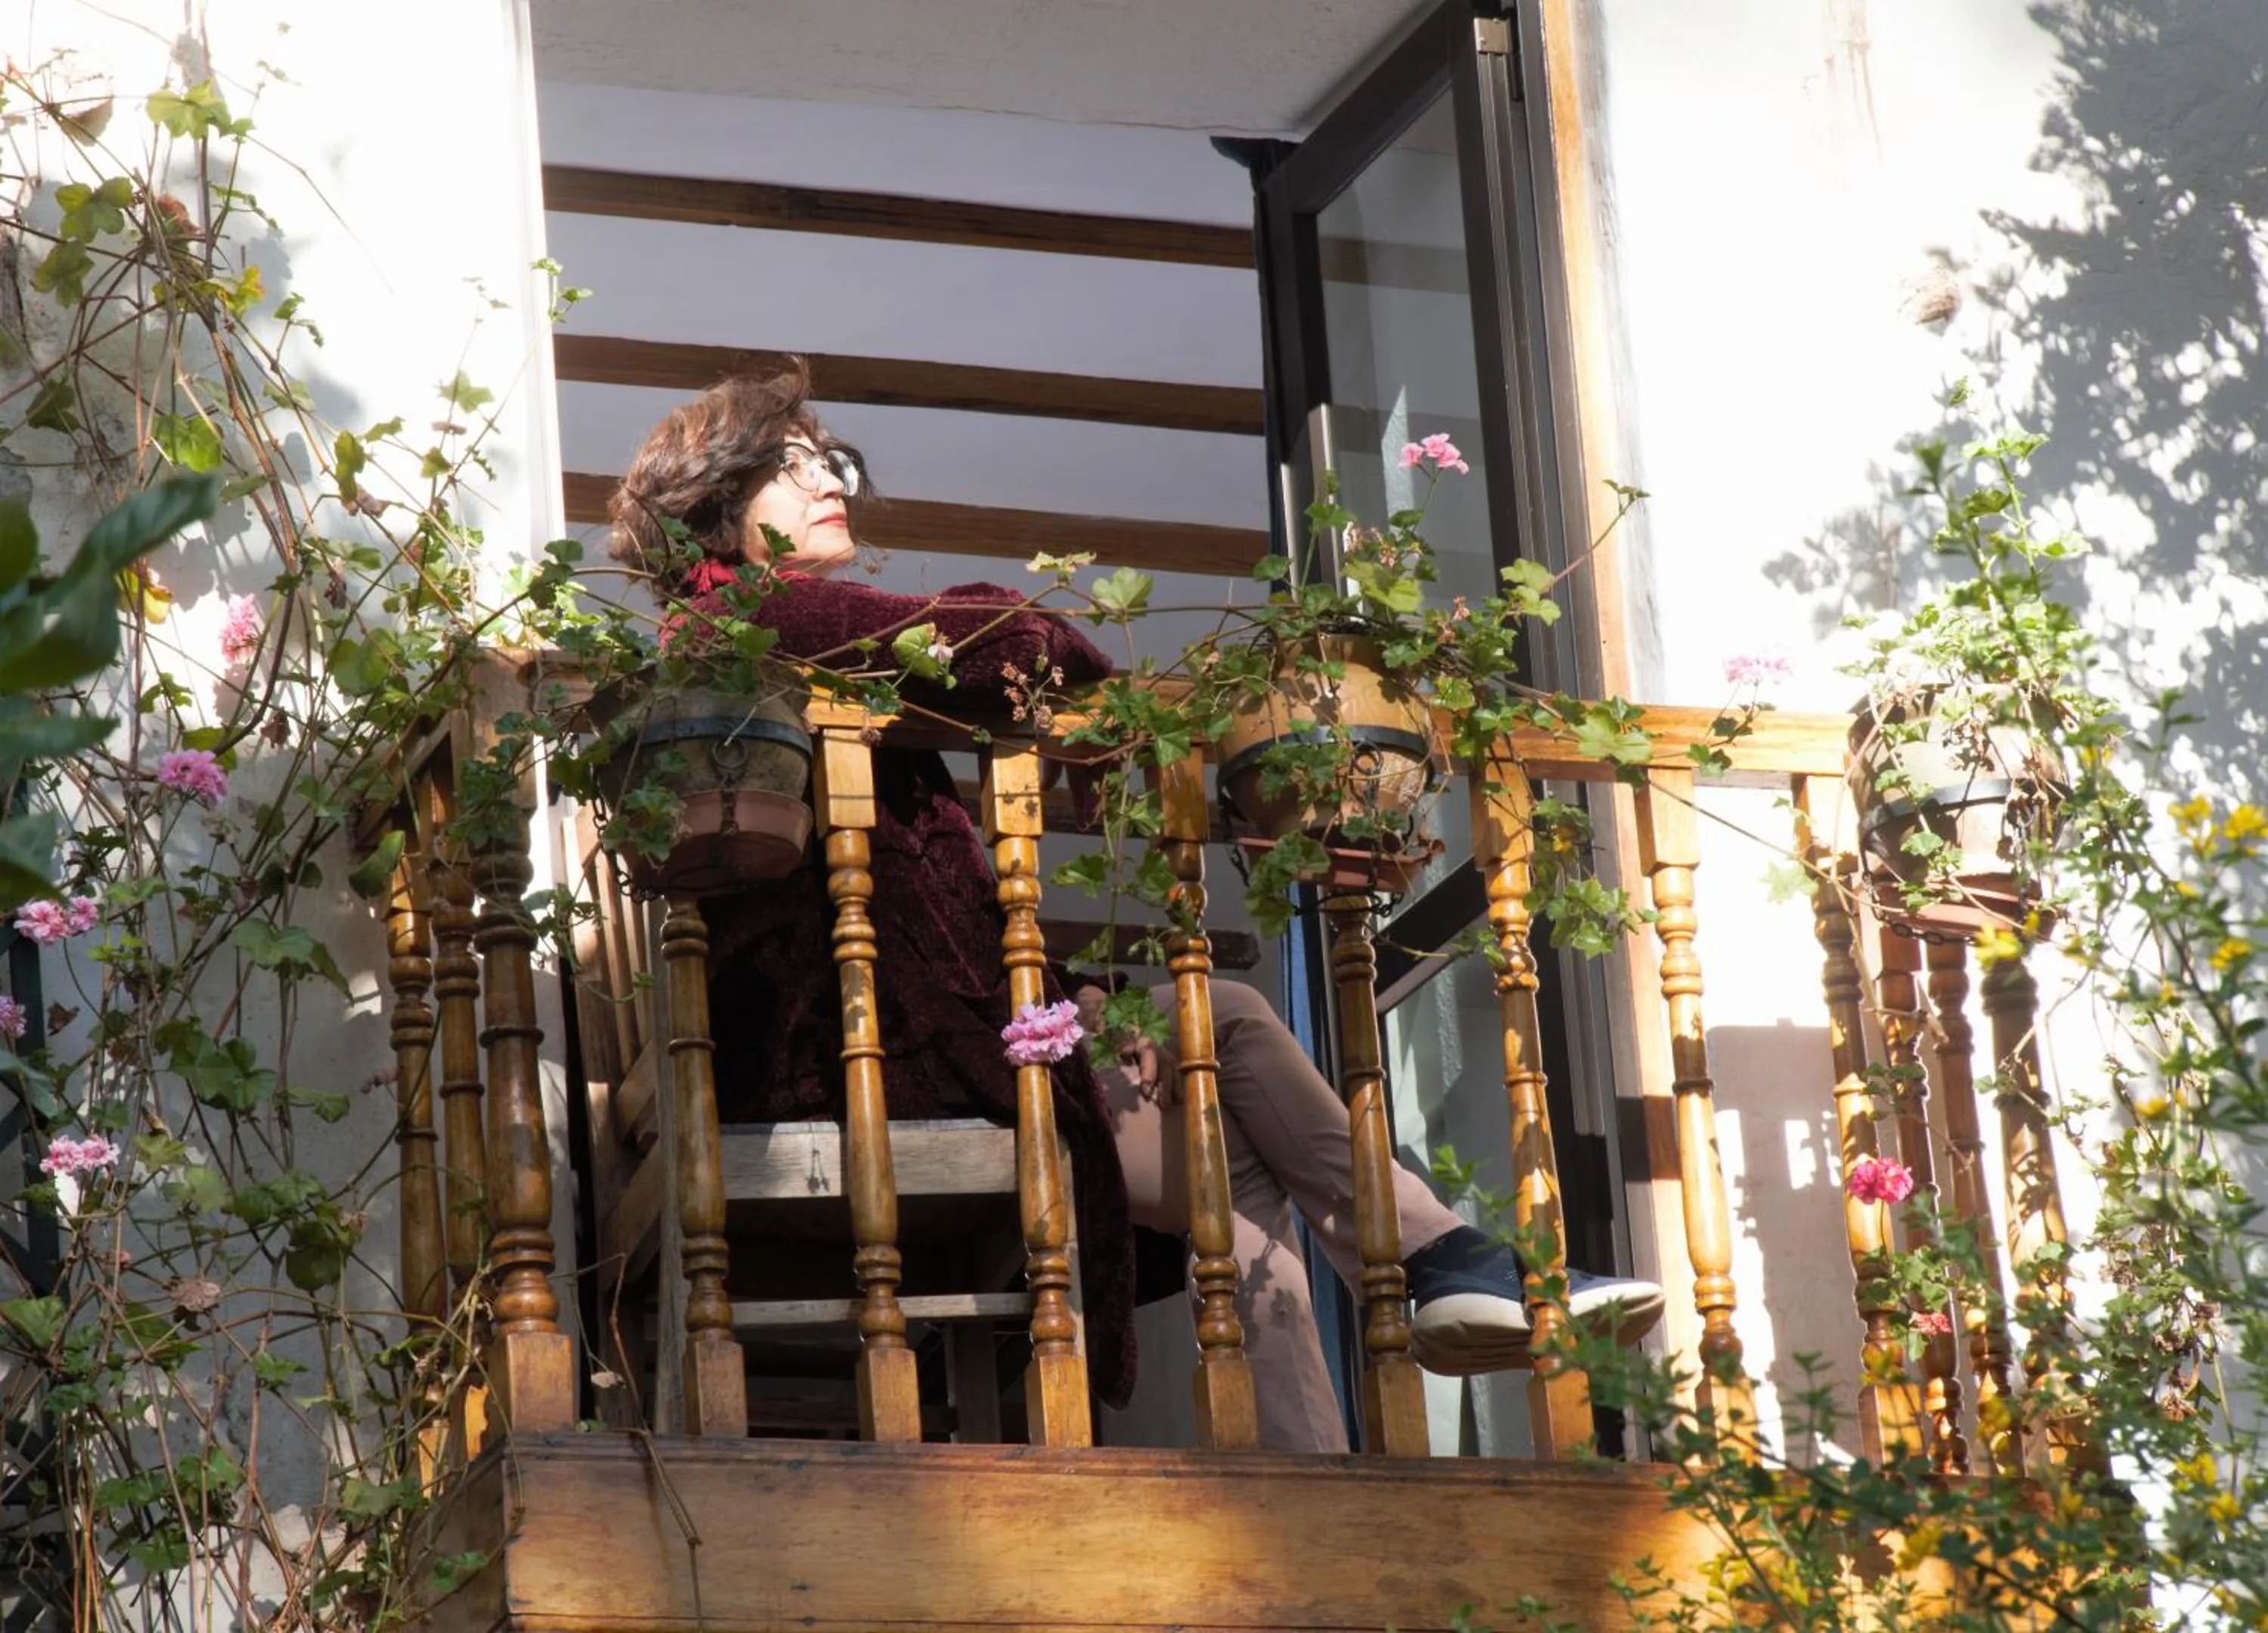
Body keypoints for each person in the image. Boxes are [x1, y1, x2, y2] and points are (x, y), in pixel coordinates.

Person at [609, 365, 1664, 1453]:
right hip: (859, 1048)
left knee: (1228, 1111)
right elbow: (997, 636)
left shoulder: (780, 633)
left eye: (836, 461)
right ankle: (1441, 1285)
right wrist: (1088, 692)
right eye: (795, 465)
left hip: (915, 1029)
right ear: (720, 504)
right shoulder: (750, 613)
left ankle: (1359, 1405)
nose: (833, 481)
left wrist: (1088, 999)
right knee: (1234, 1040)